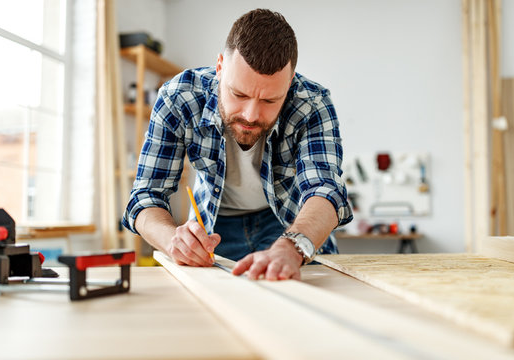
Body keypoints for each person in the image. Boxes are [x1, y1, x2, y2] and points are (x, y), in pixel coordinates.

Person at [122, 8, 352, 280]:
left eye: (269, 101)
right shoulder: (178, 97)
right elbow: (145, 196)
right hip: (214, 230)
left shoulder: (312, 103)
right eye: (238, 94)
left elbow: (325, 191)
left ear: (289, 83)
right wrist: (173, 239)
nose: (251, 115)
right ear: (220, 67)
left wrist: (292, 247)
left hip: (290, 226)